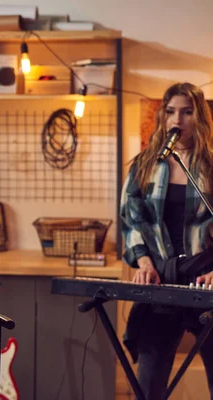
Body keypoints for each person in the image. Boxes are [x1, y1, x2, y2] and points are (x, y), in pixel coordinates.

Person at [120, 82, 213, 399]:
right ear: (163, 117)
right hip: (161, 280)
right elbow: (131, 221)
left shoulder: (210, 166)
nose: (179, 119)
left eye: (187, 112)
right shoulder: (145, 165)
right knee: (149, 384)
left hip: (205, 282)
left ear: (199, 118)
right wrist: (144, 263)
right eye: (171, 111)